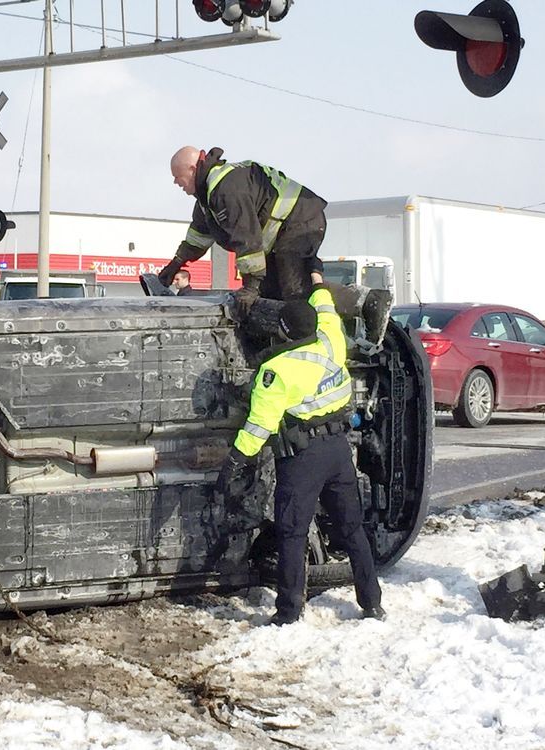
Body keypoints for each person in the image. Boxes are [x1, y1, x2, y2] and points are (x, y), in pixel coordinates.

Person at [215, 282, 385, 625]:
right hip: (338, 451)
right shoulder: (331, 340)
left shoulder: (277, 371)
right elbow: (325, 306)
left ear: (283, 332)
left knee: (292, 533)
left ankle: (289, 612)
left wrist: (234, 463)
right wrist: (317, 283)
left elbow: (259, 427)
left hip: (302, 459)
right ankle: (372, 602)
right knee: (352, 529)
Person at [158, 145, 392, 343]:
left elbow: (247, 240)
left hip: (300, 221)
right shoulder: (207, 198)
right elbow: (197, 238)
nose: (176, 183)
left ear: (192, 169)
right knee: (272, 295)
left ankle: (367, 302)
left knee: (295, 291)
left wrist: (251, 286)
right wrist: (176, 264)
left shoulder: (226, 190)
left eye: (177, 177)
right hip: (288, 228)